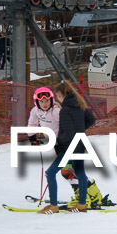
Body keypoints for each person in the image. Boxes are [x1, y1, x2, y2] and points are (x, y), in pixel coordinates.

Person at [27, 86, 109, 208]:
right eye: (41, 101)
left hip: (67, 145)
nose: (45, 104)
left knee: (67, 172)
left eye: (47, 100)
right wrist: (33, 137)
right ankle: (95, 196)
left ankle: (83, 199)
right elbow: (32, 125)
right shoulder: (35, 111)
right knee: (72, 171)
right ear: (36, 102)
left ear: (52, 100)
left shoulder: (57, 112)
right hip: (57, 145)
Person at [37, 81, 95, 214]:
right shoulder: (80, 105)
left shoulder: (65, 111)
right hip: (80, 144)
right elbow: (91, 119)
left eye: (57, 96)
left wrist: (59, 145)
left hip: (69, 147)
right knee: (80, 173)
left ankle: (53, 206)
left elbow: (67, 133)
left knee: (50, 173)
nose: (57, 99)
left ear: (61, 95)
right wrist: (81, 130)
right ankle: (81, 205)